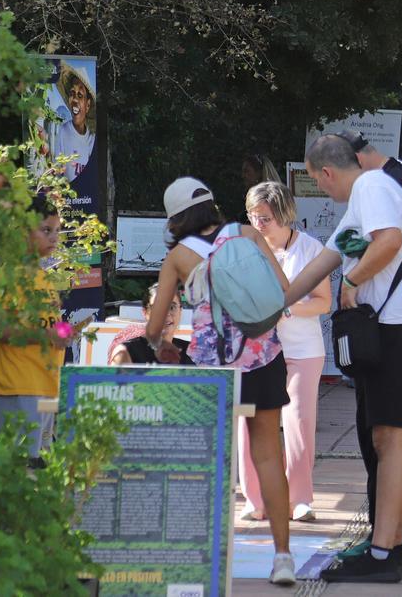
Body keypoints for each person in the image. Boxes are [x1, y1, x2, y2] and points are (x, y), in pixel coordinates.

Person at [286, 133, 402, 583]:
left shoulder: (371, 188)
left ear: (326, 172)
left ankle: (383, 554)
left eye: (321, 186)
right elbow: (327, 258)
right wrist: (279, 300)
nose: (326, 193)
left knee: (393, 438)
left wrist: (354, 281)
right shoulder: (370, 192)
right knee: (387, 437)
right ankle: (390, 546)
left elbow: (390, 240)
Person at [146, 177, 296, 585]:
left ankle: (200, 556)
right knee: (268, 455)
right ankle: (283, 556)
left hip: (211, 365)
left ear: (174, 218)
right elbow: (284, 290)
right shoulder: (246, 233)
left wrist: (162, 347)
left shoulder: (179, 256)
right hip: (264, 358)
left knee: (205, 460)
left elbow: (156, 325)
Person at [238, 182, 332, 523]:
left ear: (284, 215)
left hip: (302, 350)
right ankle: (255, 498)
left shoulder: (310, 249)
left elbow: (324, 302)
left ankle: (300, 498)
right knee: (250, 422)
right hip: (256, 352)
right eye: (253, 216)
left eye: (265, 218)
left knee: (298, 423)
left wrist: (286, 309)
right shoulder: (245, 248)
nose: (259, 224)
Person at [0, 194, 70, 470]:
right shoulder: (11, 274)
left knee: (41, 465)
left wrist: (64, 331)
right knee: (20, 469)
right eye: (46, 230)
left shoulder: (44, 279)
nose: (53, 238)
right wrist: (44, 337)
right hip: (19, 387)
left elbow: (50, 323)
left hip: (47, 387)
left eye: (57, 231)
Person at [108, 284, 191, 365]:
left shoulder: (192, 352)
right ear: (145, 312)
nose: (166, 313)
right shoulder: (126, 352)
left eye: (172, 307)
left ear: (180, 311)